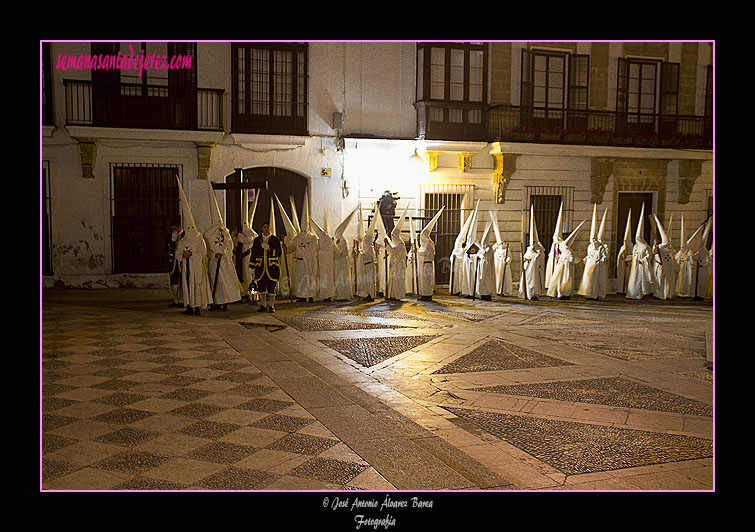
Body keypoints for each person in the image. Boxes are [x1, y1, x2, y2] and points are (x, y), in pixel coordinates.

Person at [175, 178, 213, 316]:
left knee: (196, 287)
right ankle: (190, 306)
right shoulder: (182, 240)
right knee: (187, 286)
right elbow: (177, 254)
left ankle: (197, 306)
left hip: (196, 267)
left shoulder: (199, 238)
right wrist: (183, 256)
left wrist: (192, 255)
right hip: (187, 268)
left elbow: (203, 253)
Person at [203, 181, 243, 311]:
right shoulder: (208, 233)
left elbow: (230, 245)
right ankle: (216, 302)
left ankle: (226, 302)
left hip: (225, 262)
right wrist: (214, 255)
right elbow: (207, 248)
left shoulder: (225, 232)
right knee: (217, 282)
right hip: (215, 262)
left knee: (226, 282)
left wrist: (224, 254)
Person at [548, 220, 587, 299]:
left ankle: (564, 293)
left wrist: (579, 260)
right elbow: (572, 258)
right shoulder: (563, 249)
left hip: (566, 268)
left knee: (565, 280)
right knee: (561, 280)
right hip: (562, 268)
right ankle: (561, 293)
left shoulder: (567, 250)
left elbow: (572, 258)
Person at [250, 221, 282, 312]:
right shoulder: (257, 240)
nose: (266, 229)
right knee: (261, 287)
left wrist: (270, 250)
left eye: (267, 227)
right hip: (260, 267)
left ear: (270, 228)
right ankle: (263, 305)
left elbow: (279, 253)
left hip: (272, 267)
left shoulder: (275, 239)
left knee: (272, 287)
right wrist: (252, 266)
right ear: (261, 228)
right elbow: (254, 253)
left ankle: (271, 305)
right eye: (264, 227)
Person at [578, 205, 609, 300]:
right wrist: (583, 260)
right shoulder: (590, 247)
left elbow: (605, 257)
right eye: (592, 239)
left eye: (594, 239)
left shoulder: (602, 247)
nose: (593, 241)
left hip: (598, 267)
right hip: (589, 266)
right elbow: (589, 256)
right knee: (589, 280)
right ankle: (589, 294)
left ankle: (596, 295)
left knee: (596, 281)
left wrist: (600, 262)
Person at [626, 204, 655, 300]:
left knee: (639, 280)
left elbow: (649, 256)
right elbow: (634, 256)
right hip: (635, 266)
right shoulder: (635, 246)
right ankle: (632, 294)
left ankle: (639, 294)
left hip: (641, 266)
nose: (637, 239)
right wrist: (628, 257)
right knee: (633, 279)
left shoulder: (645, 246)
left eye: (638, 237)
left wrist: (642, 260)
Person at [235, 191, 259, 303]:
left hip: (249, 257)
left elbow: (246, 240)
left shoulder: (251, 233)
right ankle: (244, 293)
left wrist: (239, 235)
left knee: (251, 277)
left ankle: (253, 296)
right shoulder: (242, 232)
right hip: (242, 258)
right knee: (243, 276)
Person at [416, 207, 444, 301]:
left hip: (427, 264)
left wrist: (419, 252)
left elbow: (428, 254)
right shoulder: (427, 244)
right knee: (424, 281)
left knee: (427, 281)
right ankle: (424, 294)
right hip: (425, 265)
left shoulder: (429, 244)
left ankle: (427, 295)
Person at [519, 205, 546, 300]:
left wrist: (535, 254)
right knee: (527, 281)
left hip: (535, 270)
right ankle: (528, 293)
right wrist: (525, 258)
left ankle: (534, 294)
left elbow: (540, 258)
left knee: (534, 282)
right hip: (528, 269)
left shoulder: (539, 250)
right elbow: (526, 257)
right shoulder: (528, 249)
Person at [384, 204, 409, 301]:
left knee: (397, 281)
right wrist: (388, 244)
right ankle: (392, 295)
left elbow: (395, 252)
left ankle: (397, 295)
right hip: (394, 265)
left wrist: (388, 245)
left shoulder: (400, 243)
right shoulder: (396, 243)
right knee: (393, 281)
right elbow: (392, 251)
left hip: (398, 265)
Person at [333, 207, 358, 301]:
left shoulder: (343, 241)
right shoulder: (338, 241)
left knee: (342, 278)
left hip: (342, 262)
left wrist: (334, 247)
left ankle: (343, 295)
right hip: (338, 263)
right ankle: (338, 294)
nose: (336, 234)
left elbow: (340, 253)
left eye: (337, 233)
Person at [309, 216, 336, 301]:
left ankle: (325, 295)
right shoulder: (329, 242)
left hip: (323, 265)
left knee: (324, 280)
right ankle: (327, 295)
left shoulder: (322, 241)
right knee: (327, 279)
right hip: (325, 265)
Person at [652, 214, 677, 300]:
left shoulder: (670, 250)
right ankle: (659, 294)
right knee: (659, 281)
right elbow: (654, 253)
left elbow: (673, 259)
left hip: (669, 269)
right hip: (661, 267)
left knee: (667, 282)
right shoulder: (660, 247)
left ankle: (667, 294)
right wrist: (655, 247)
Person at [616, 209, 633, 295]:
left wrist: (628, 258)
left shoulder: (632, 247)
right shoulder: (622, 247)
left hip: (629, 266)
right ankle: (620, 289)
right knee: (621, 277)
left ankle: (627, 290)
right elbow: (619, 257)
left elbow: (634, 256)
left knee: (629, 277)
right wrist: (621, 257)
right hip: (622, 265)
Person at [167, 219, 183, 307]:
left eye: (175, 228)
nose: (174, 230)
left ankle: (183, 300)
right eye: (172, 229)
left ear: (179, 227)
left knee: (183, 281)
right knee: (173, 281)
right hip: (173, 262)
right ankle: (176, 300)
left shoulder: (184, 236)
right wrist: (172, 241)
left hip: (181, 262)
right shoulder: (170, 236)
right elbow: (168, 247)